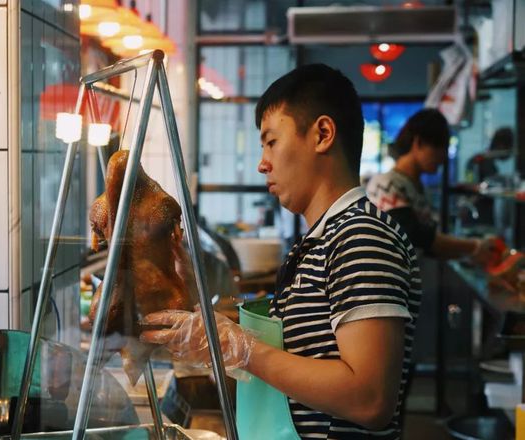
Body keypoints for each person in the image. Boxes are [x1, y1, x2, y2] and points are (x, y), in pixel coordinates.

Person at [141, 64, 421, 439]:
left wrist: (242, 348)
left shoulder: (361, 236)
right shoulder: (321, 240)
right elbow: (302, 349)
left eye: (271, 141)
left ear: (322, 134)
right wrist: (204, 314)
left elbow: (369, 399)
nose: (262, 163)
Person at [366, 109, 496, 260]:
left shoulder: (418, 187)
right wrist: (475, 246)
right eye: (440, 148)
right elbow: (414, 234)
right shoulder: (385, 184)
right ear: (418, 142)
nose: (444, 158)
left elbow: (428, 245)